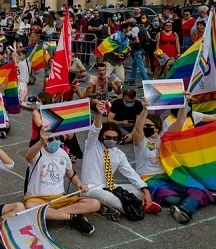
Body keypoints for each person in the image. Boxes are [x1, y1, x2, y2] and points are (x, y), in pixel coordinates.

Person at [131, 95, 209, 224]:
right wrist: (145, 109)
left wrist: (185, 103)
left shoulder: (164, 138)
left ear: (157, 127)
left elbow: (179, 122)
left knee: (198, 189)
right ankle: (189, 203)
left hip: (170, 175)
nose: (145, 127)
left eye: (148, 125)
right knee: (172, 200)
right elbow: (138, 128)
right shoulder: (140, 141)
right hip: (149, 178)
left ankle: (185, 209)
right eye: (144, 125)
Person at [81, 102, 153, 219]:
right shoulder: (92, 146)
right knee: (108, 197)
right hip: (90, 188)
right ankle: (138, 206)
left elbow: (130, 173)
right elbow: (94, 131)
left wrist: (145, 189)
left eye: (115, 138)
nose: (111, 140)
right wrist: (100, 115)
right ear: (101, 136)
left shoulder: (119, 154)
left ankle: (107, 208)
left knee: (139, 191)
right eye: (108, 137)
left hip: (109, 186)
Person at [24, 128, 100, 235]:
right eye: (50, 139)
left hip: (60, 198)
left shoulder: (63, 154)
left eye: (57, 138)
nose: (54, 141)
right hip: (37, 198)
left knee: (95, 204)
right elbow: (28, 156)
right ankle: (72, 217)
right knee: (30, 206)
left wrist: (79, 184)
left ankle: (51, 215)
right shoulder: (38, 152)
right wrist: (41, 141)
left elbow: (70, 173)